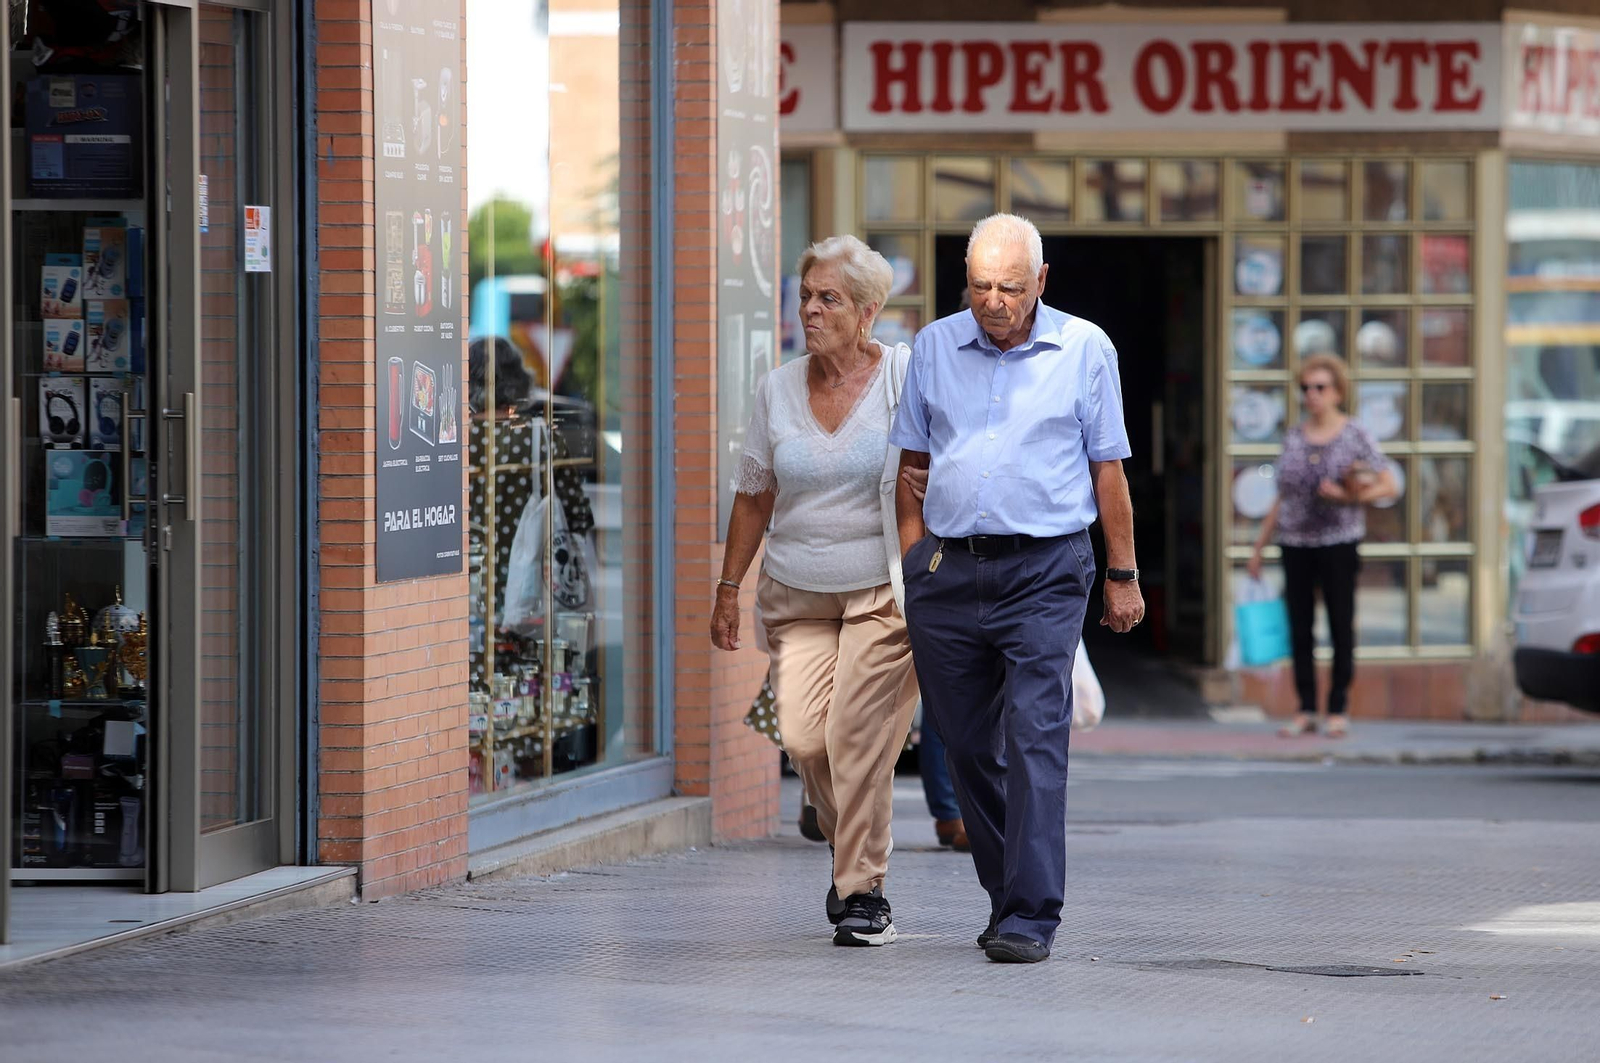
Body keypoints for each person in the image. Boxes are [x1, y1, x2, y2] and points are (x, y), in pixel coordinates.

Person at [890, 213, 1142, 964]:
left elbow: (1109, 472)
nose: (992, 300)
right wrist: (915, 561)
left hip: (1046, 569)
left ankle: (1032, 912)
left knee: (1034, 736)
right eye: (978, 286)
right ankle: (1010, 893)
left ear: (1041, 282)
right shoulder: (935, 345)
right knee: (964, 745)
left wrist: (1123, 574)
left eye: (1008, 287)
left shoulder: (1085, 348)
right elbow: (909, 465)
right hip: (949, 570)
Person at [711, 235, 919, 947]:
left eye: (828, 297)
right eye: (806, 295)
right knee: (803, 736)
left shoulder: (904, 378)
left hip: (881, 593)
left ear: (868, 311)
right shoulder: (777, 388)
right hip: (796, 590)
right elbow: (752, 496)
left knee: (855, 736)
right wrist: (728, 586)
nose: (811, 308)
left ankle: (863, 890)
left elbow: (942, 469)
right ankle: (852, 850)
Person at [1248, 353, 1396, 739]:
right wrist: (1259, 547)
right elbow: (1281, 496)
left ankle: (1337, 708)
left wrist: (1349, 498)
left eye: (1320, 387)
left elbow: (1388, 485)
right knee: (1300, 627)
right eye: (1306, 388)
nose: (1312, 395)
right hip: (1295, 542)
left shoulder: (1355, 433)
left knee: (1339, 623)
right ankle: (1306, 708)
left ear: (1338, 391)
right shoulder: (1294, 436)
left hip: (1338, 541)